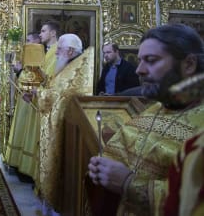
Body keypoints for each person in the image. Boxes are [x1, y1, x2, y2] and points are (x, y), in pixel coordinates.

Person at [87, 24, 204, 216]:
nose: (139, 70)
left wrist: (129, 184)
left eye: (151, 60)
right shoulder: (154, 110)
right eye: (140, 60)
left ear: (189, 65)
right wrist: (99, 171)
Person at [34, 34, 94, 215]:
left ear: (69, 50)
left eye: (59, 49)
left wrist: (39, 94)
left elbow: (56, 96)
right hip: (62, 125)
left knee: (62, 172)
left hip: (68, 129)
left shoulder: (76, 69)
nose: (56, 52)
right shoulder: (72, 65)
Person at [4, 32, 42, 181]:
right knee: (22, 127)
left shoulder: (39, 55)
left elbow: (37, 77)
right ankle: (19, 162)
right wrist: (18, 70)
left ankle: (27, 167)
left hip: (34, 99)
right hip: (25, 99)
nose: (26, 43)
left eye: (28, 40)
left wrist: (20, 71)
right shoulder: (27, 54)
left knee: (30, 131)